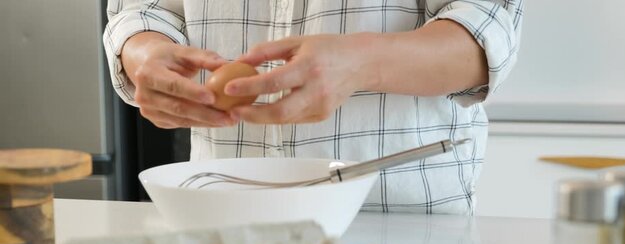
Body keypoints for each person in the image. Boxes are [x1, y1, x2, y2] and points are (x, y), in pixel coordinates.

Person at [104, 0, 523, 214]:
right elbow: (144, 9)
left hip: (399, 219)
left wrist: (361, 63)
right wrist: (145, 54)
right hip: (224, 209)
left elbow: (484, 31)